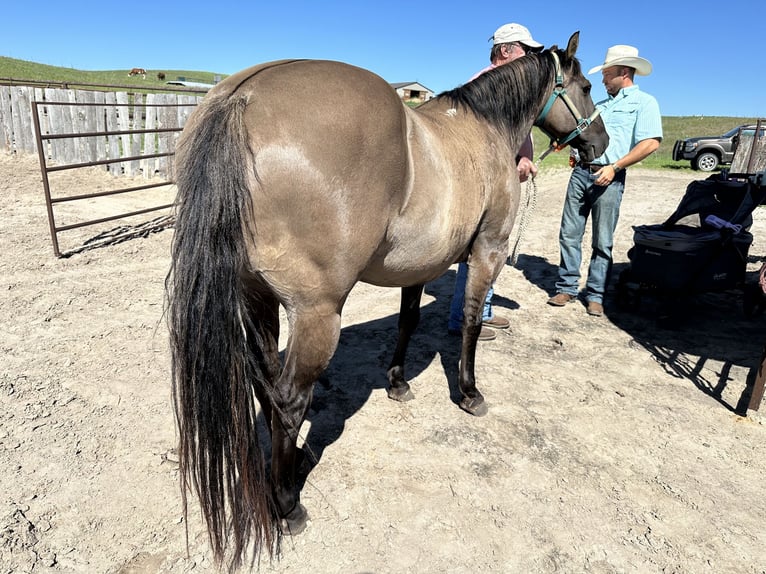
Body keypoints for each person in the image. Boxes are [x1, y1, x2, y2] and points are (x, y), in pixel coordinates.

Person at [547, 45, 662, 317]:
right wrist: (571, 149)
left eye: (606, 74)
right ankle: (567, 286)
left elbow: (650, 143)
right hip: (581, 173)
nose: (602, 80)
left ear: (623, 73)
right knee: (569, 234)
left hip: (609, 176)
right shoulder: (599, 106)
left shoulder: (645, 103)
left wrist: (616, 166)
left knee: (602, 240)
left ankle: (596, 294)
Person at [448, 23, 542, 341]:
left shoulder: (513, 87)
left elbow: (518, 134)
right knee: (479, 248)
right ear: (505, 50)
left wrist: (524, 158)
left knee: (491, 248)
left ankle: (481, 313)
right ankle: (463, 320)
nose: (529, 56)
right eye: (524, 50)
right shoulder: (485, 83)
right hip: (483, 184)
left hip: (501, 178)